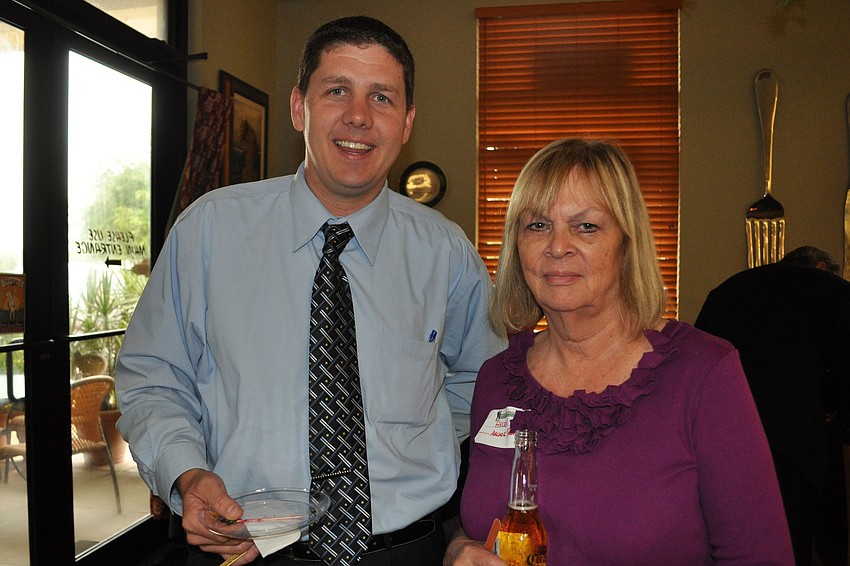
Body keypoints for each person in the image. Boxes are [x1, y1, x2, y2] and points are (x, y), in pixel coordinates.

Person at [115, 16, 505, 566]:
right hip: (245, 547)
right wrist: (185, 471)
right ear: (299, 107)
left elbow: (485, 383)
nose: (359, 117)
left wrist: (423, 436)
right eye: (337, 90)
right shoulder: (209, 232)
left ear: (408, 121)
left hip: (405, 551)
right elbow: (153, 376)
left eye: (383, 98)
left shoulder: (447, 253)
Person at [444, 138, 794, 565]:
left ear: (627, 243)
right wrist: (459, 546)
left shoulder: (703, 373)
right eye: (536, 225)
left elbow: (760, 555)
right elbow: (481, 520)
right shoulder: (497, 378)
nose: (557, 246)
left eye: (586, 226)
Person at [695, 246, 850, 566]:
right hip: (794, 444)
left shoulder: (729, 289)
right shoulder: (835, 291)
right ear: (822, 266)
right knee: (792, 546)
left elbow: (696, 367)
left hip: (723, 442)